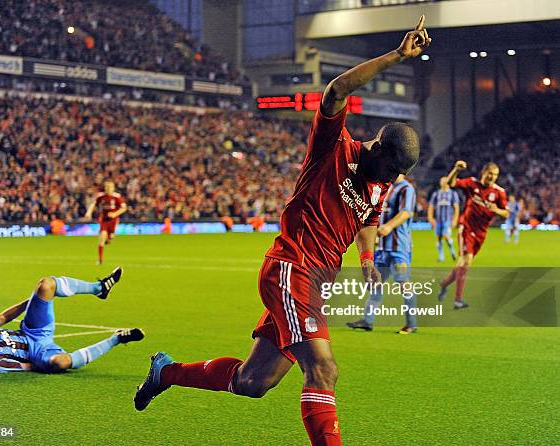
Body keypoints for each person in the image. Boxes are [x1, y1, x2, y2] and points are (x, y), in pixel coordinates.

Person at [133, 16, 430, 445]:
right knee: (323, 369)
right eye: (391, 167)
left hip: (315, 283)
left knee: (253, 381)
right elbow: (336, 91)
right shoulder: (334, 147)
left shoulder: (380, 183)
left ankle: (166, 371)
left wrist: (367, 260)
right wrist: (397, 56)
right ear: (376, 147)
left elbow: (367, 220)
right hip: (292, 269)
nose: (391, 177)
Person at [0, 268, 144, 373]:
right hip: (37, 352)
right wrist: (48, 363)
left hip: (32, 330)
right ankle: (117, 339)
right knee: (61, 362)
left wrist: (35, 300)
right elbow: (29, 367)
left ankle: (98, 288)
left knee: (46, 285)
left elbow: (4, 317)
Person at [346, 174, 418, 334]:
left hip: (399, 248)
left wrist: (389, 226)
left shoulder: (407, 188)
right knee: (374, 283)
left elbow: (406, 212)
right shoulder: (388, 187)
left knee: (404, 284)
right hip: (384, 248)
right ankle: (367, 321)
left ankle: (411, 324)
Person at [439, 161, 509, 309]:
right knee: (466, 262)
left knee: (462, 264)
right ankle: (458, 300)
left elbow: (506, 213)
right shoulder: (472, 184)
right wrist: (456, 169)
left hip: (481, 233)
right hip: (466, 227)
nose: (492, 177)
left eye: (495, 175)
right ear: (484, 172)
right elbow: (451, 183)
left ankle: (444, 284)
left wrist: (497, 210)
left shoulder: (499, 192)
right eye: (490, 173)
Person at [85, 181, 128, 265]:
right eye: (106, 187)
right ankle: (100, 260)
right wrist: (89, 212)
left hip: (113, 220)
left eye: (110, 187)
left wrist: (115, 214)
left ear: (113, 188)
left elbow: (124, 208)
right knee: (102, 238)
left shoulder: (117, 196)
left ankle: (109, 238)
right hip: (104, 219)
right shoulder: (101, 196)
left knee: (110, 238)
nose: (108, 189)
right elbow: (93, 204)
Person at [428, 177, 460, 262]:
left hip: (447, 220)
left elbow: (456, 207)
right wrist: (430, 218)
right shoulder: (436, 194)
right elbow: (431, 206)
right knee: (439, 237)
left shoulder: (453, 193)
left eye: (445, 181)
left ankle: (452, 251)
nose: (443, 182)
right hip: (438, 220)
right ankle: (441, 256)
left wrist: (455, 220)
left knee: (446, 236)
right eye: (442, 181)